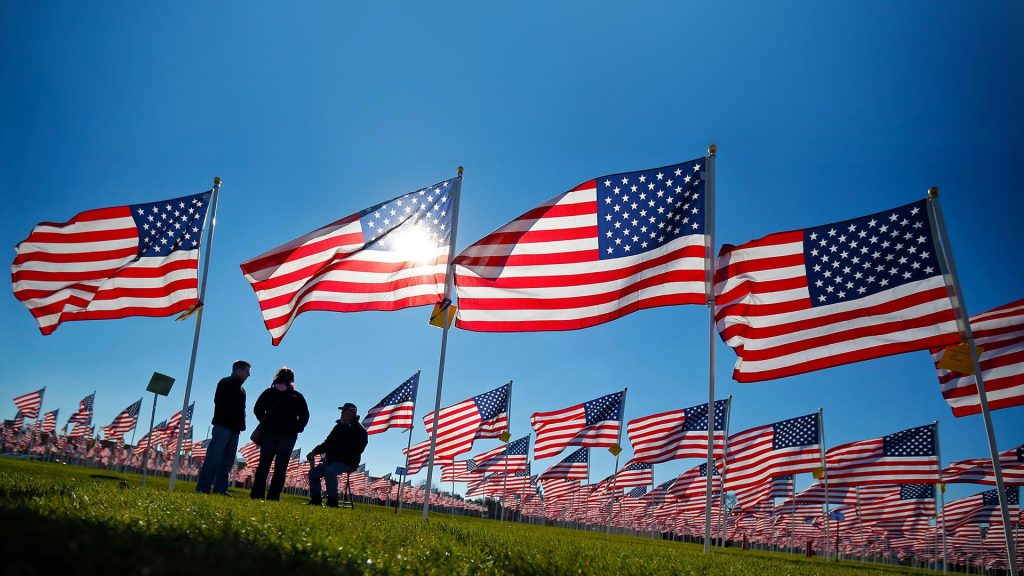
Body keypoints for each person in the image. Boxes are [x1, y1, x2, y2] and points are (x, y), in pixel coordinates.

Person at [250, 367, 309, 501]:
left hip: (269, 433)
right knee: (280, 467)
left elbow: (257, 409)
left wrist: (264, 421)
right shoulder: (297, 396)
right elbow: (305, 416)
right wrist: (297, 428)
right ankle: (274, 496)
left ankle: (257, 494)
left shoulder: (268, 392)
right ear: (292, 380)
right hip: (288, 436)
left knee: (263, 464)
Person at [196, 360, 250, 495]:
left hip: (234, 430)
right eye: (246, 371)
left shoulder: (242, 390)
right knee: (213, 458)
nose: (248, 375)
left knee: (227, 462)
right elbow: (222, 403)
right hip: (223, 426)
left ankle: (220, 489)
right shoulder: (225, 383)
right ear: (238, 370)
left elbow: (241, 410)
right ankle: (203, 487)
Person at [306, 402, 368, 507]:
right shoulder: (338, 427)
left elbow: (358, 449)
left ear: (353, 412)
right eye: (342, 410)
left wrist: (339, 454)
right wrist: (315, 451)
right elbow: (328, 443)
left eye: (344, 410)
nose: (342, 413)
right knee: (313, 473)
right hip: (332, 461)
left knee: (330, 471)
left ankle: (332, 500)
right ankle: (316, 499)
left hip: (348, 462)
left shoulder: (360, 430)